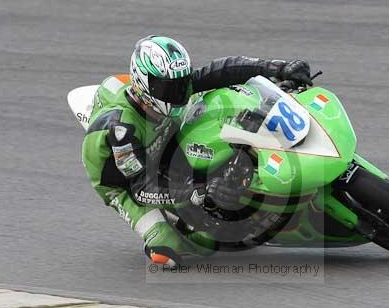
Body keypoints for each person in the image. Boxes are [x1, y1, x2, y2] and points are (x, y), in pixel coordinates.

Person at [82, 35, 313, 266]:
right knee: (182, 246)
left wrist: (277, 68)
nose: (180, 93)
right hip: (126, 183)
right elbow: (141, 189)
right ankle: (166, 230)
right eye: (169, 87)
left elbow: (222, 70)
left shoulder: (174, 90)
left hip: (162, 147)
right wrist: (197, 192)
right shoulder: (122, 130)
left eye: (182, 83)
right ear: (145, 85)